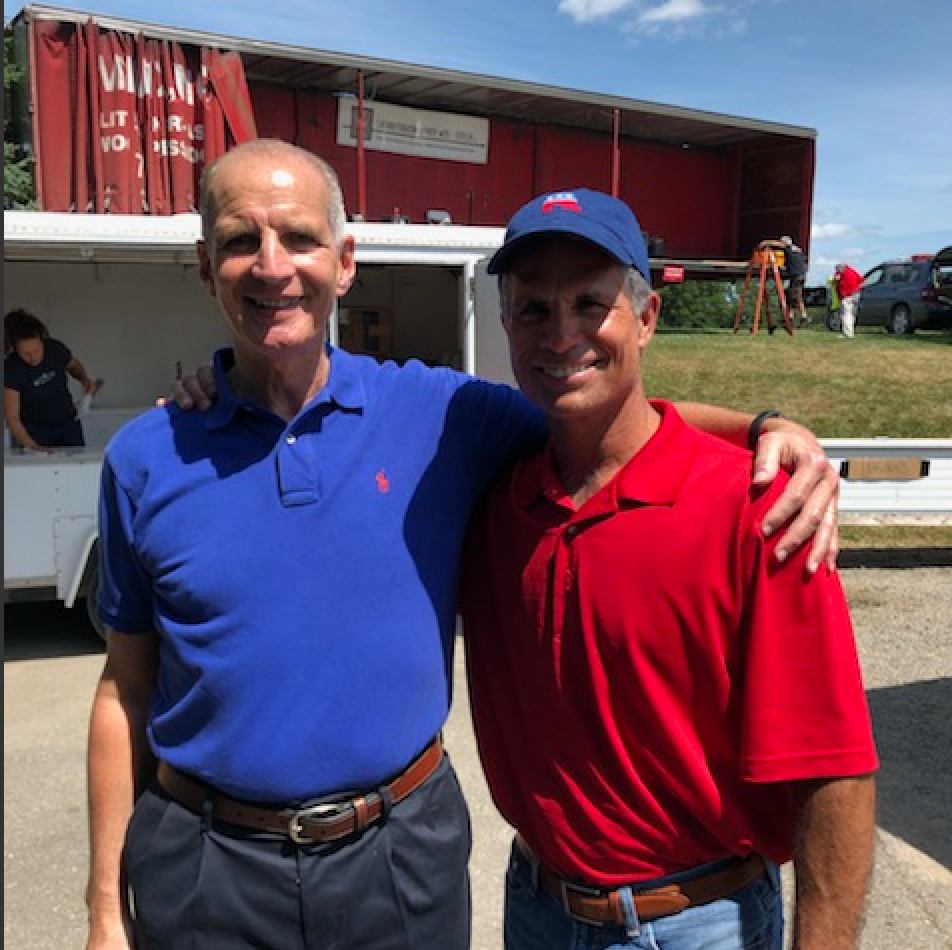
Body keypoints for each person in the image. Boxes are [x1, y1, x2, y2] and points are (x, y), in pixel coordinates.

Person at [86, 139, 840, 950]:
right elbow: (125, 691)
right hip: (208, 864)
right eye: (242, 241)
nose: (273, 267)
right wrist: (103, 912)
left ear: (344, 262)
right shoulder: (148, 457)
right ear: (207, 268)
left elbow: (601, 404)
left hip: (397, 852)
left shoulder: (438, 415)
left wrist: (765, 427)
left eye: (299, 237)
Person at [459, 189, 878, 950]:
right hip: (537, 906)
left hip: (698, 922)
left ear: (647, 318)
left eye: (591, 304)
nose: (562, 334)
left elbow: (833, 768)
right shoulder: (493, 499)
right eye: (534, 309)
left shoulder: (759, 508)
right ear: (506, 324)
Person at [4, 308, 102, 451]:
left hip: (68, 423)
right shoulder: (11, 368)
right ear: (15, 349)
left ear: (42, 342)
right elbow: (12, 417)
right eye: (26, 354)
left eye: (36, 351)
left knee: (76, 460)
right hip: (35, 430)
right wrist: (32, 446)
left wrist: (84, 379)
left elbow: (74, 365)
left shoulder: (55, 349)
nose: (33, 357)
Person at [780, 235, 810, 327]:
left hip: (795, 277)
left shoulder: (787, 250)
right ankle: (790, 316)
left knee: (796, 296)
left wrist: (766, 243)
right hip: (801, 275)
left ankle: (804, 316)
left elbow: (780, 246)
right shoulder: (798, 250)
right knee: (792, 295)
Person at [833, 263, 864, 338]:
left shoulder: (840, 272)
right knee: (852, 314)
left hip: (847, 295)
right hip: (856, 294)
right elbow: (862, 280)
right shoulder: (853, 270)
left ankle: (847, 333)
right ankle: (851, 332)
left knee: (846, 314)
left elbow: (836, 280)